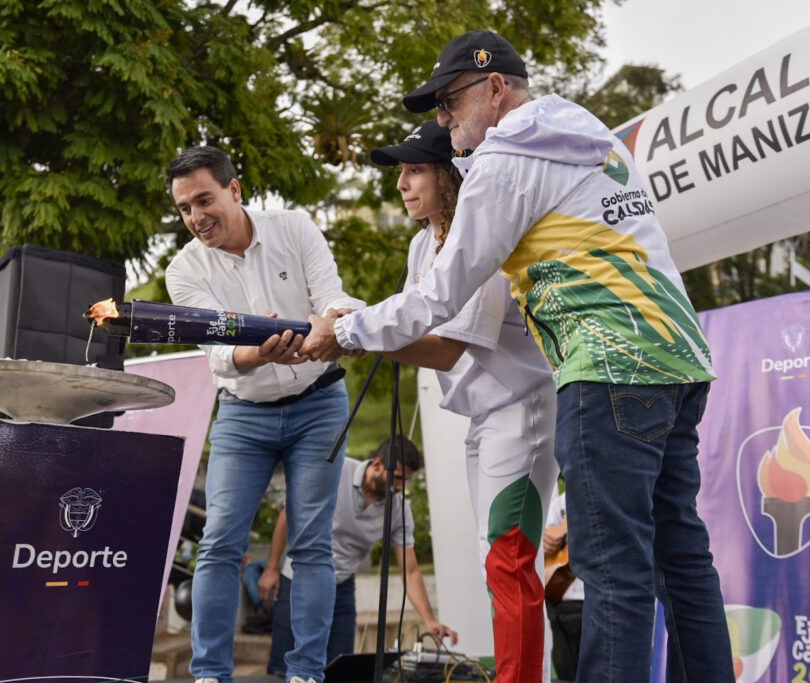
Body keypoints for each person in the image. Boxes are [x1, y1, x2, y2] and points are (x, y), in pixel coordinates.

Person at [301, 30, 734, 683]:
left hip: (607, 368)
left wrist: (349, 330)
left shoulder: (507, 157)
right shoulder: (592, 135)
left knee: (612, 567)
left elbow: (442, 295)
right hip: (678, 358)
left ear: (496, 87)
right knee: (680, 556)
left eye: (450, 102)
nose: (444, 123)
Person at [337, 121, 558, 681]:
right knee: (498, 559)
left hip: (523, 406)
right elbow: (404, 322)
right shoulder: (420, 244)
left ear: (450, 176)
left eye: (416, 171)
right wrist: (360, 328)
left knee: (509, 560)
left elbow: (448, 351)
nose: (403, 185)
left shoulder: (481, 234)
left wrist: (359, 334)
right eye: (401, 173)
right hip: (484, 415)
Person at [164, 145, 364, 683]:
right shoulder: (182, 270)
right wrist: (260, 351)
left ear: (235, 189)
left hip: (320, 402)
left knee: (312, 543)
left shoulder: (295, 228)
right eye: (184, 208)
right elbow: (219, 354)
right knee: (220, 540)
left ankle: (305, 673)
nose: (195, 217)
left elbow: (332, 295)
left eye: (204, 199)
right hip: (242, 414)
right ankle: (210, 674)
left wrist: (335, 322)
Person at [261, 438, 457, 677]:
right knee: (283, 667)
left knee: (340, 669)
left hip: (342, 585)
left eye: (406, 481)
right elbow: (287, 515)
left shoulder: (398, 509)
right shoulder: (337, 471)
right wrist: (271, 568)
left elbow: (410, 570)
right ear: (376, 464)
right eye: (397, 477)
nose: (399, 486)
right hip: (300, 578)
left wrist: (429, 620)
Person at [543, 479, 583, 682]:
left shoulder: (607, 494)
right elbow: (545, 540)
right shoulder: (558, 504)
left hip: (590, 601)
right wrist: (546, 541)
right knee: (565, 670)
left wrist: (565, 527)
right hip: (559, 600)